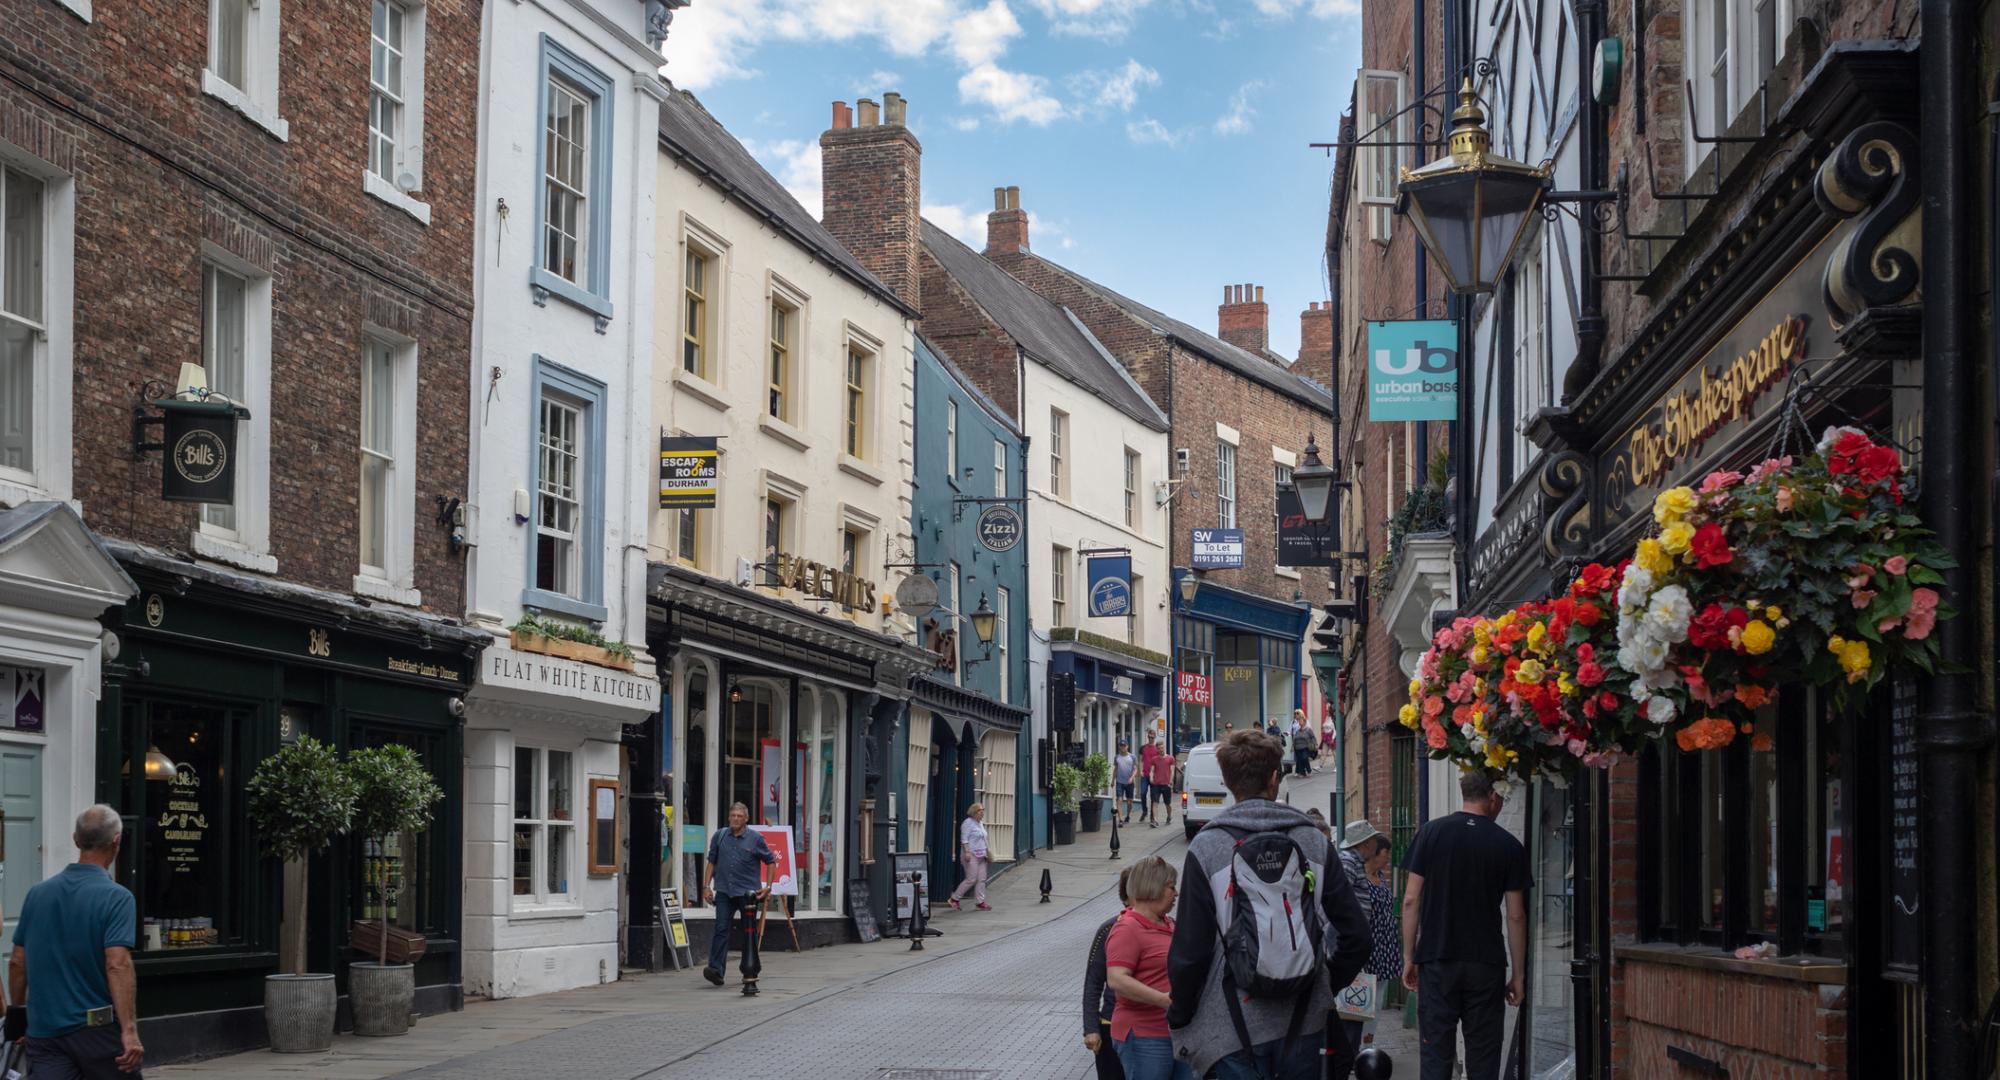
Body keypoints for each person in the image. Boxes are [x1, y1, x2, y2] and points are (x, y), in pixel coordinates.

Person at [1166, 731, 1369, 1080]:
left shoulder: (1207, 847)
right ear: (1275, 779)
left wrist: (1180, 1015)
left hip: (1229, 1029)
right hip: (1304, 1025)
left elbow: (1190, 953)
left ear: (1228, 782)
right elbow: (1357, 935)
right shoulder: (1313, 841)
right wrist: (1322, 984)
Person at [1400, 773, 1530, 1080]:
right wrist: (1519, 975)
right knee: (1483, 1055)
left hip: (1437, 958)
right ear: (1493, 798)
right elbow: (1515, 916)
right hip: (1485, 963)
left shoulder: (1431, 833)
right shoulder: (1508, 845)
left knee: (1435, 1054)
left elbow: (1410, 900)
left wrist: (1409, 956)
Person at [8, 805, 144, 1078]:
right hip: (96, 1030)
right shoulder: (116, 898)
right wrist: (129, 1031)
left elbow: (17, 962)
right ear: (116, 840)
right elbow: (117, 965)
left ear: (75, 839)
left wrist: (18, 1016)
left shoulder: (37, 894)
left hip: (44, 1033)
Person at [1105, 857, 1190, 1080]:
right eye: (1171, 887)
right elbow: (1117, 980)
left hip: (1180, 1033)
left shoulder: (1170, 924)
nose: (1176, 893)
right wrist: (1164, 1000)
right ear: (1154, 887)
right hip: (1145, 1036)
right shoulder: (1128, 928)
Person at [1336, 820, 1403, 1059]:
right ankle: (1356, 1051)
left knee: (1374, 1005)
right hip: (1366, 948)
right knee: (1359, 1005)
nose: (1387, 856)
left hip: (1382, 948)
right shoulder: (1353, 869)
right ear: (1371, 847)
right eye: (1386, 851)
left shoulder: (1377, 875)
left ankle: (1366, 1047)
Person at [702, 801, 777, 996]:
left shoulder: (755, 839)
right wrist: (706, 886)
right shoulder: (719, 836)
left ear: (746, 819)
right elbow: (712, 862)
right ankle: (716, 970)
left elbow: (770, 862)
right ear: (729, 817)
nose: (735, 819)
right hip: (725, 890)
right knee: (721, 928)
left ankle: (751, 970)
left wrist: (767, 887)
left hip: (747, 893)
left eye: (739, 816)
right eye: (732, 815)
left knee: (748, 932)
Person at [1083, 868, 1134, 1080]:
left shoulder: (1169, 928)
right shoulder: (1109, 930)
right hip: (1111, 1026)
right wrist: (1091, 1029)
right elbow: (1093, 984)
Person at [950, 803, 992, 911]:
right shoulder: (967, 823)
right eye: (979, 811)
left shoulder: (980, 823)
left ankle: (980, 902)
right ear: (973, 812)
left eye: (983, 810)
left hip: (982, 855)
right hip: (971, 855)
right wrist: (967, 852)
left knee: (981, 879)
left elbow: (984, 839)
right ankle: (954, 898)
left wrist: (988, 851)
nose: (982, 812)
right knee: (971, 879)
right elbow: (964, 839)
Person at [1144, 736, 1175, 827]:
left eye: (1162, 748)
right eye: (1159, 748)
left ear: (1164, 748)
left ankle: (1169, 816)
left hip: (1166, 784)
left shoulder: (1170, 758)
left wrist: (1170, 781)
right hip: (1156, 784)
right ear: (1157, 749)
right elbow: (1152, 770)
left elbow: (1172, 771)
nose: (1160, 749)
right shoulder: (1154, 759)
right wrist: (1151, 777)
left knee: (1167, 804)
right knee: (1155, 802)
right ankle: (1155, 821)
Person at [1115, 741, 1140, 826]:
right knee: (1119, 800)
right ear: (1119, 747)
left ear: (1127, 746)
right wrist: (1112, 781)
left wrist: (1132, 777)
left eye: (1124, 746)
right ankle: (1120, 819)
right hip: (1119, 782)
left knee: (1129, 802)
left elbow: (1136, 769)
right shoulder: (1117, 757)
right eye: (1121, 746)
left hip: (1129, 782)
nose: (1123, 747)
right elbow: (1116, 769)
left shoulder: (1132, 757)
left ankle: (1128, 815)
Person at [1288, 709, 1315, 777]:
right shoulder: (1295, 725)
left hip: (1305, 746)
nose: (1296, 715)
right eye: (1295, 714)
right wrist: (1292, 746)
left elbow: (1312, 736)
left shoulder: (1307, 728)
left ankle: (1308, 770)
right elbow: (1293, 736)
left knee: (1304, 758)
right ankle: (1302, 772)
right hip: (1297, 746)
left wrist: (1315, 744)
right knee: (1300, 759)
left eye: (1297, 713)